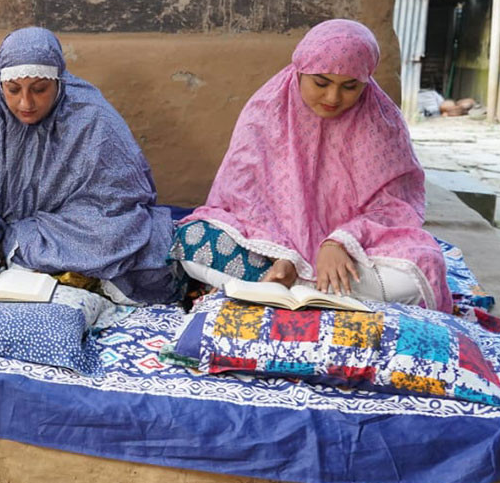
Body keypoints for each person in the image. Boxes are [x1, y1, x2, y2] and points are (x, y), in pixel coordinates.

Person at [171, 19, 451, 312]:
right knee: (192, 238)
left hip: (354, 254)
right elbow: (243, 198)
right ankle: (305, 285)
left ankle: (290, 289)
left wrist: (339, 242)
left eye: (350, 86)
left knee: (424, 265)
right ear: (300, 70)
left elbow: (396, 207)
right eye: (321, 82)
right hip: (269, 249)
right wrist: (284, 254)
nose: (333, 97)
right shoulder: (266, 112)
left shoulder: (381, 123)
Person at [0, 26, 178, 304]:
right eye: (13, 90)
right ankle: (34, 254)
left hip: (68, 229)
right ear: (0, 85)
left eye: (40, 89)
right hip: (1, 228)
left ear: (59, 81)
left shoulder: (92, 116)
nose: (26, 103)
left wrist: (37, 231)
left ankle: (26, 249)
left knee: (126, 241)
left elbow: (121, 197)